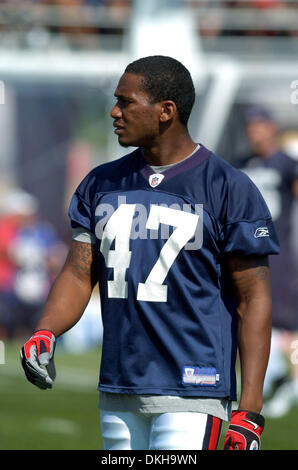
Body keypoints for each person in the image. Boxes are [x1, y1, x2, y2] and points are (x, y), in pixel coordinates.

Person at [20, 56, 279, 451]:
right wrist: (46, 330)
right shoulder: (101, 183)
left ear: (165, 111)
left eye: (126, 102)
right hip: (119, 387)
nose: (114, 111)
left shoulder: (228, 186)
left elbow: (253, 299)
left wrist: (251, 409)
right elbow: (77, 273)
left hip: (194, 389)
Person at [238, 106, 298, 418]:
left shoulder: (287, 164)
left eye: (259, 124)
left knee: (286, 325)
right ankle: (264, 382)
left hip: (279, 255)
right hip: (245, 252)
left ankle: (291, 381)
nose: (253, 131)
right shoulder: (242, 164)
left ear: (271, 127)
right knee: (247, 317)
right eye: (250, 125)